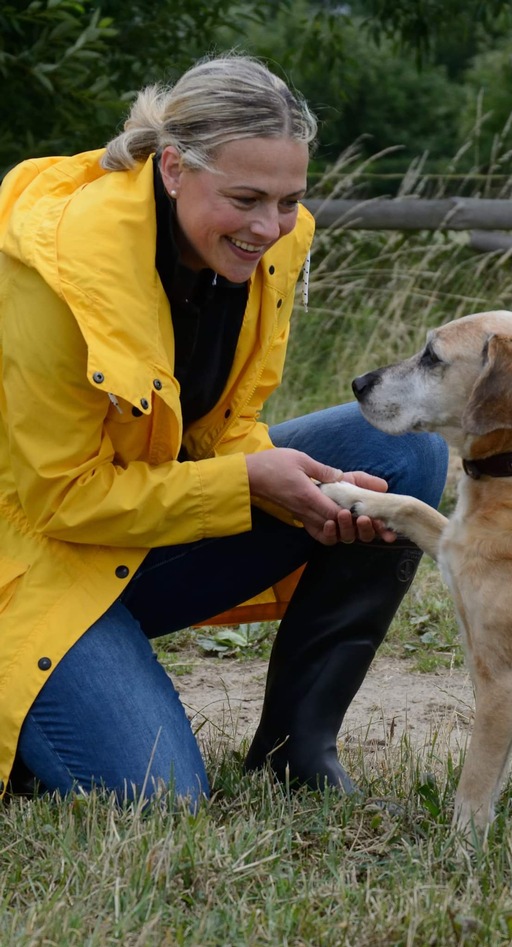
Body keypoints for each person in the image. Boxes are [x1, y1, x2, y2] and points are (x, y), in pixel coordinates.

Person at [0, 52, 448, 807]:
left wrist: (288, 480)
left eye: (289, 199)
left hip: (132, 539)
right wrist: (247, 483)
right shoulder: (53, 270)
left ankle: (295, 750)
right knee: (163, 799)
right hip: (31, 561)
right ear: (173, 167)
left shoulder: (269, 243)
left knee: (400, 448)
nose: (270, 226)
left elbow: (228, 426)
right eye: (246, 197)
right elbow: (58, 501)